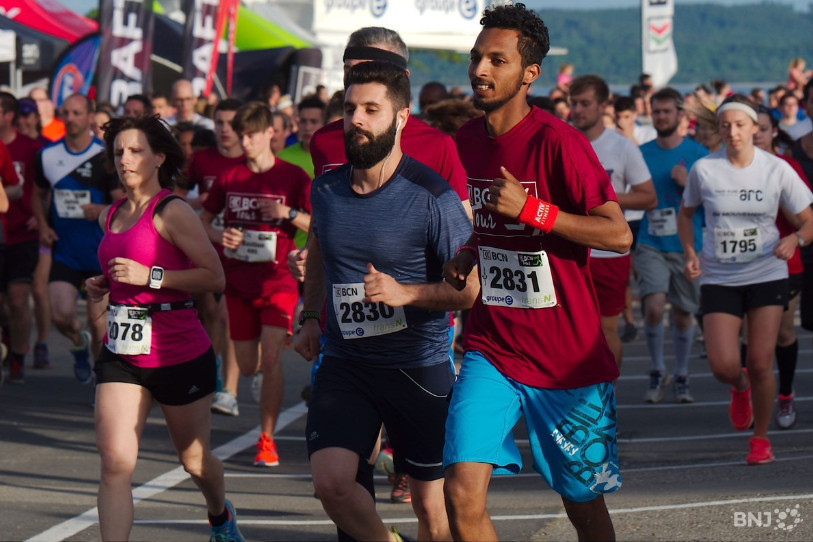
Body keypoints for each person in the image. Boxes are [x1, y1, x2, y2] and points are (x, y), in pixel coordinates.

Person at [442, 4, 630, 540]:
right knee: (461, 489)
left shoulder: (559, 142)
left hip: (567, 360)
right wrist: (470, 252)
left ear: (529, 74)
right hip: (492, 348)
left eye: (496, 60)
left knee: (583, 505)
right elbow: (488, 219)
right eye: (477, 57)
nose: (480, 69)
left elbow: (618, 234)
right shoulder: (466, 143)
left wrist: (534, 211)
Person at [296, 60, 476, 542]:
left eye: (371, 109)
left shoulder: (432, 196)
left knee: (431, 511)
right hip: (346, 362)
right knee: (331, 484)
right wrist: (311, 315)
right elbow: (317, 249)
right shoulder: (328, 189)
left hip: (417, 367)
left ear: (401, 118)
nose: (356, 119)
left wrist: (407, 293)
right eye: (350, 108)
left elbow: (472, 289)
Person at [85, 114, 243, 542]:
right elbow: (120, 279)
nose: (125, 160)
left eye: (135, 151)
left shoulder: (172, 211)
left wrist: (150, 276)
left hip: (178, 351)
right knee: (115, 463)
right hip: (122, 353)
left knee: (194, 462)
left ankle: (219, 514)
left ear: (158, 157)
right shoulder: (111, 215)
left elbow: (214, 278)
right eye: (118, 152)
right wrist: (99, 287)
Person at [677, 95, 813, 464]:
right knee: (723, 364)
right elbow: (686, 214)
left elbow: (808, 220)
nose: (733, 132)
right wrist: (691, 252)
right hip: (719, 275)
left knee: (760, 360)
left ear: (755, 128)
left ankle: (761, 438)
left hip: (767, 271)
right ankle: (739, 389)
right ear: (718, 129)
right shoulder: (705, 169)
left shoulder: (776, 169)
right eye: (726, 125)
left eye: (740, 125)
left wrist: (794, 239)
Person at [201, 102, 312, 467]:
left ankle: (267, 439)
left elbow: (320, 225)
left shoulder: (293, 177)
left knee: (272, 357)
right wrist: (221, 236)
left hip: (278, 280)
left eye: (251, 135)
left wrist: (287, 214)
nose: (244, 142)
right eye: (240, 135)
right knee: (249, 366)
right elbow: (203, 221)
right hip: (238, 284)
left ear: (270, 134)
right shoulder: (231, 177)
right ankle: (261, 374)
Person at [32, 93, 122, 385]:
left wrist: (102, 210)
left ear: (89, 117)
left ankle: (102, 385)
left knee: (100, 328)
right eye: (66, 113)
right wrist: (44, 225)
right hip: (65, 251)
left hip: (99, 252)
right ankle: (77, 342)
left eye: (76, 113)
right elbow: (38, 193)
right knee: (60, 315)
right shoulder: (47, 155)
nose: (70, 119)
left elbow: (123, 205)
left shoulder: (106, 156)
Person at [570, 74, 656, 371]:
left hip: (608, 254)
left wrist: (601, 198)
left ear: (603, 105)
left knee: (607, 332)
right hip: (570, 251)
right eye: (573, 103)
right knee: (572, 334)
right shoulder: (563, 141)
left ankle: (607, 396)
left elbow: (648, 197)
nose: (577, 110)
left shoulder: (622, 147)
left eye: (585, 103)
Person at [636, 88, 708, 403]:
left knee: (682, 314)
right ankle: (656, 368)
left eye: (667, 111)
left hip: (688, 244)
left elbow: (714, 201)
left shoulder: (698, 155)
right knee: (652, 307)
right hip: (651, 240)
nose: (662, 117)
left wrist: (687, 182)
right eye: (657, 112)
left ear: (680, 115)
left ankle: (681, 373)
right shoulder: (641, 153)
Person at [178, 99, 245, 418]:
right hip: (205, 250)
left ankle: (229, 389)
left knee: (226, 314)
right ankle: (211, 372)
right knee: (207, 312)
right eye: (218, 122)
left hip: (241, 254)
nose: (224, 129)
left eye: (231, 123)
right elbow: (172, 193)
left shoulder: (250, 160)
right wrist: (196, 200)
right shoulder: (202, 159)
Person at [753, 105, 810, 427]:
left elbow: (803, 220)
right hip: (744, 265)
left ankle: (785, 395)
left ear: (773, 131)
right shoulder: (732, 167)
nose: (757, 134)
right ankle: (753, 396)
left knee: (783, 333)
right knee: (749, 335)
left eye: (763, 128)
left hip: (785, 262)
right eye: (753, 128)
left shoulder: (787, 166)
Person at [0, 92, 42, 382]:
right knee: (3, 304)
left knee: (18, 298)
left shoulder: (31, 148)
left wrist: (39, 216)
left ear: (9, 115)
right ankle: (7, 336)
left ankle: (18, 357)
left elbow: (43, 188)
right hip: (3, 230)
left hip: (24, 232)